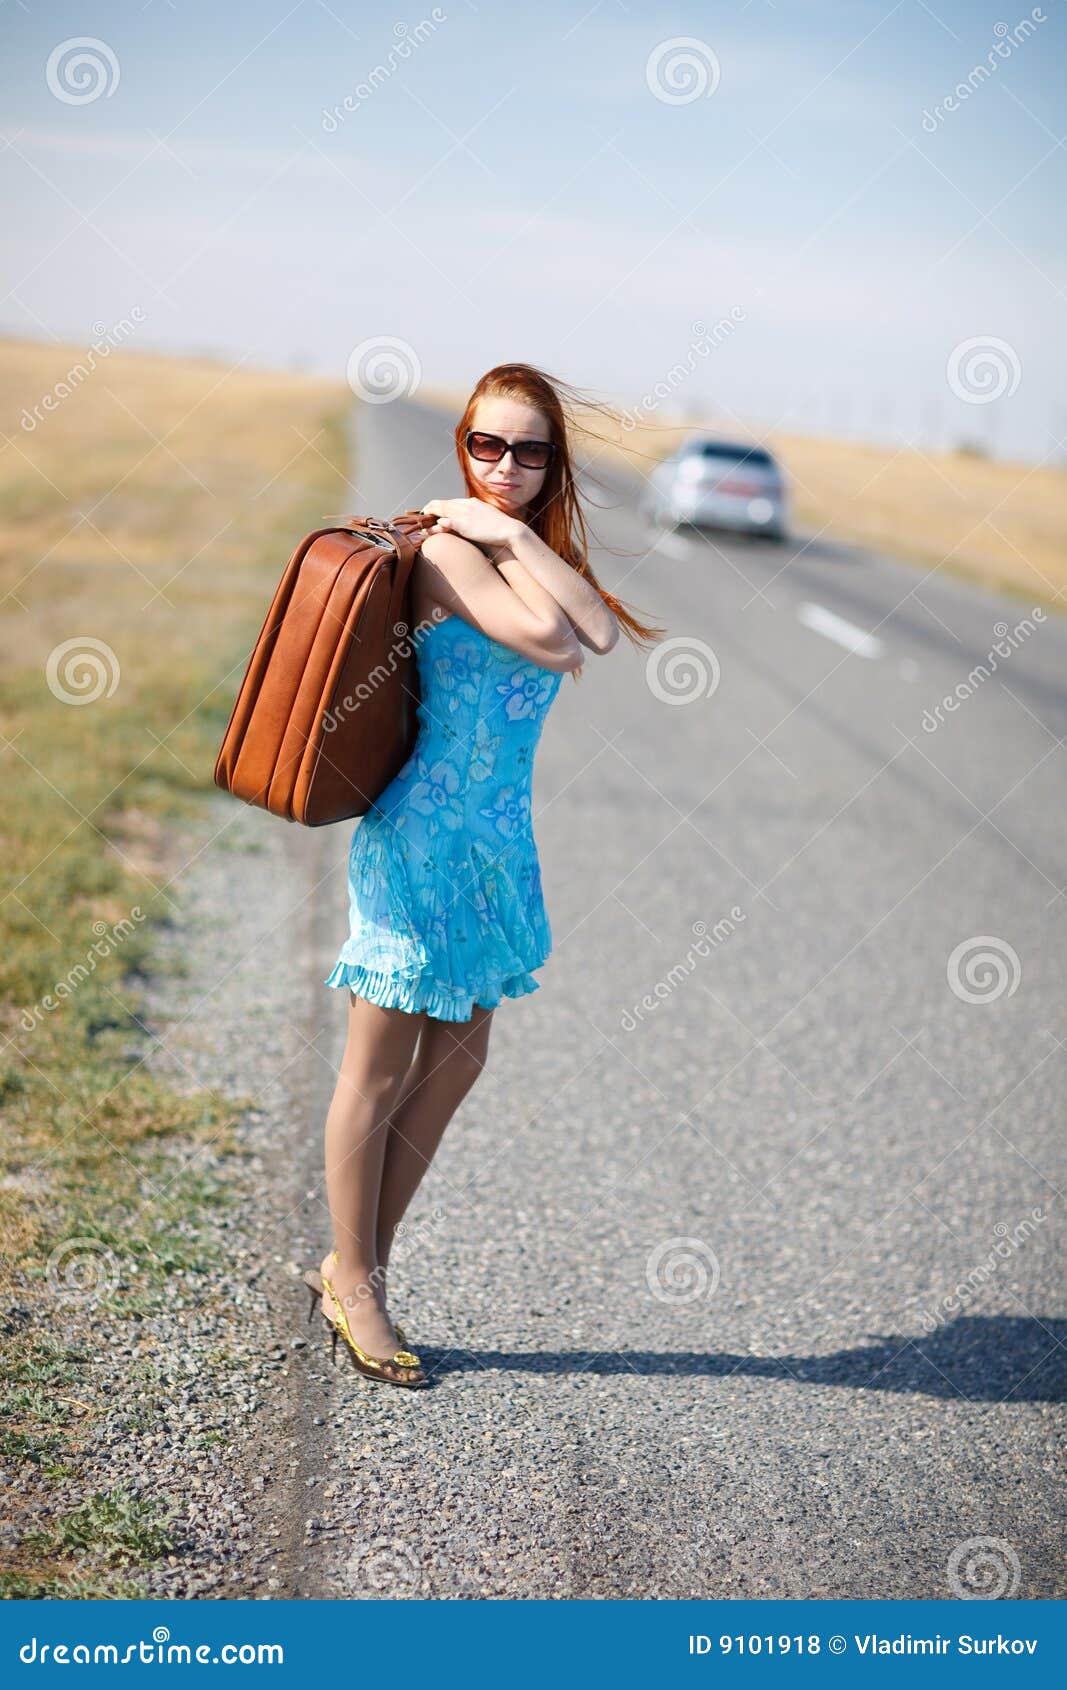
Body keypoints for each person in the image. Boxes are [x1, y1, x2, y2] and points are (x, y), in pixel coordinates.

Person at [303, 362, 663, 1387]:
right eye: (486, 446)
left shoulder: (513, 545)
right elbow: (550, 638)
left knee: (457, 1059)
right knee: (374, 1068)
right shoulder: (447, 551)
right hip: (417, 833)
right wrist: (496, 533)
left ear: (553, 466)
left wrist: (516, 535)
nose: (504, 467)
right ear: (460, 447)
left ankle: (350, 1263)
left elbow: (596, 628)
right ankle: (360, 1283)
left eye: (529, 451)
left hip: (495, 845)